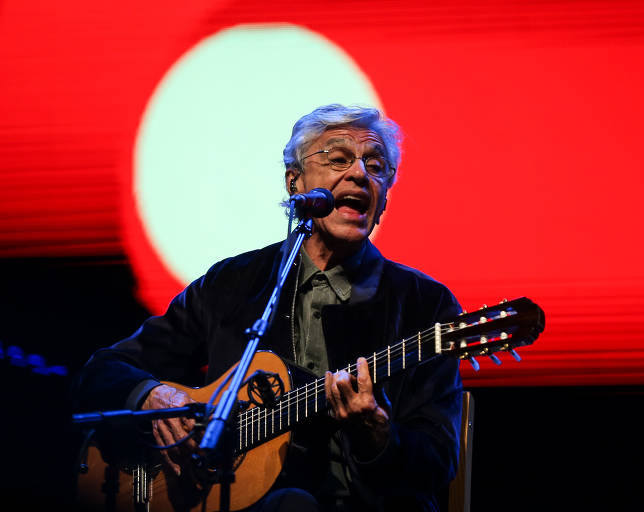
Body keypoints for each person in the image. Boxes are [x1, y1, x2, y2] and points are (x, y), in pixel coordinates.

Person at [74, 104, 463, 511]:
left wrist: (377, 435)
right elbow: (101, 373)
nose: (361, 175)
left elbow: (437, 461)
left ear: (385, 197)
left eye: (377, 165)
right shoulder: (231, 284)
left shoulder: (424, 305)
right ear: (295, 183)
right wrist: (150, 395)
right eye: (338, 159)